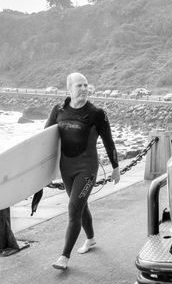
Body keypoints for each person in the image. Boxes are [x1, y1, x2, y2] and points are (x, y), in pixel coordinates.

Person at [46, 72, 120, 270]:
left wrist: (115, 167)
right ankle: (91, 239)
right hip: (66, 167)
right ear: (69, 89)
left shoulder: (96, 113)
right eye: (79, 85)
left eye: (86, 85)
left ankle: (64, 257)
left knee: (73, 208)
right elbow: (44, 140)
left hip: (86, 168)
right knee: (80, 205)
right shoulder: (58, 110)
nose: (84, 89)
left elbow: (108, 140)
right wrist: (41, 171)